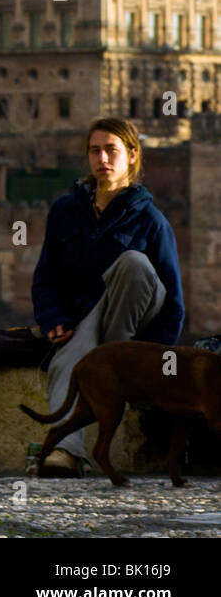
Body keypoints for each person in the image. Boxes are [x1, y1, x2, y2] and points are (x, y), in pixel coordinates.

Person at [30, 117, 185, 477]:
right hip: (84, 320)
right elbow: (45, 277)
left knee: (133, 262)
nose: (102, 158)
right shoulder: (65, 212)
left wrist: (154, 359)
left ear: (132, 155)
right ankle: (65, 454)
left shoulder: (151, 219)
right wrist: (53, 320)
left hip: (135, 326)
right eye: (95, 150)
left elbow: (173, 302)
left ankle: (116, 357)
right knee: (70, 360)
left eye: (111, 150)